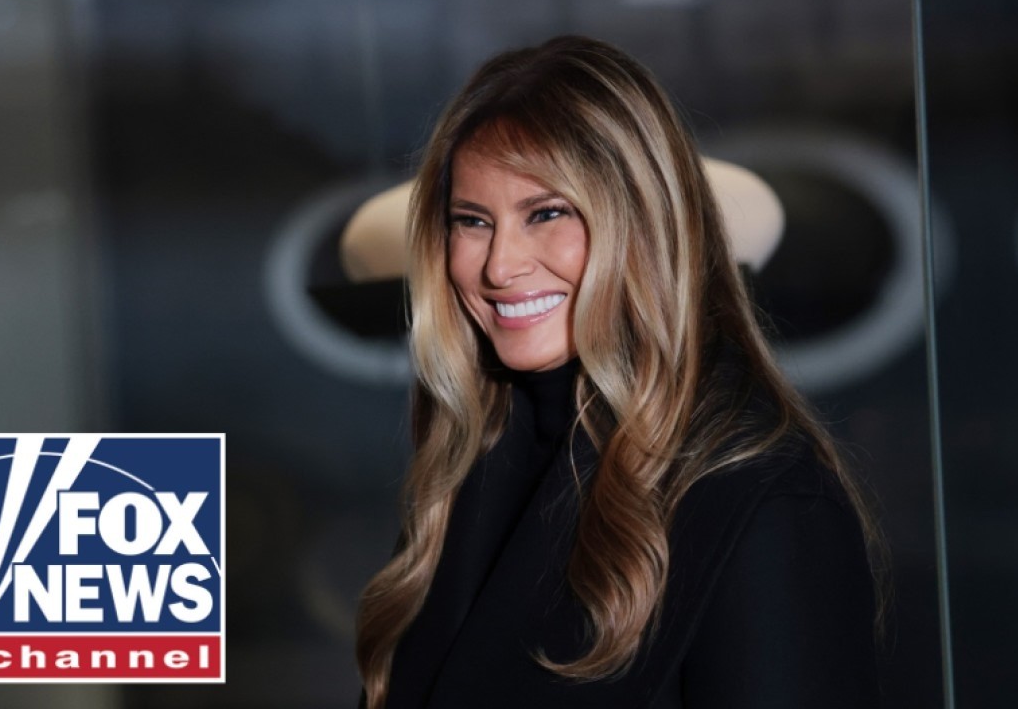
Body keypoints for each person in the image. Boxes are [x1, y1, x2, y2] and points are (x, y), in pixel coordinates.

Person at [355, 35, 883, 709]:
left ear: (644, 221)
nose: (499, 266)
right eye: (472, 221)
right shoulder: (464, 473)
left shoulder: (758, 497)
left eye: (547, 213)